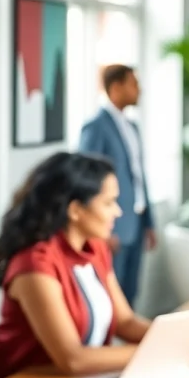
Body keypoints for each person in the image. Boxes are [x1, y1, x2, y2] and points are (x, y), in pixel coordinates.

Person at [0, 152, 153, 378]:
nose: (118, 212)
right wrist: (153, 353)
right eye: (108, 203)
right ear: (75, 210)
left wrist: (178, 340)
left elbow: (125, 321)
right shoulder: (35, 264)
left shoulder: (96, 248)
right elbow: (72, 359)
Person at [78, 64, 156, 306]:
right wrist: (102, 230)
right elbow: (86, 180)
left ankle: (128, 344)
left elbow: (138, 177)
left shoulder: (132, 127)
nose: (139, 90)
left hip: (135, 224)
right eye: (134, 83)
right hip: (112, 227)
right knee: (110, 298)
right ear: (116, 87)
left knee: (130, 294)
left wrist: (149, 222)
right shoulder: (96, 127)